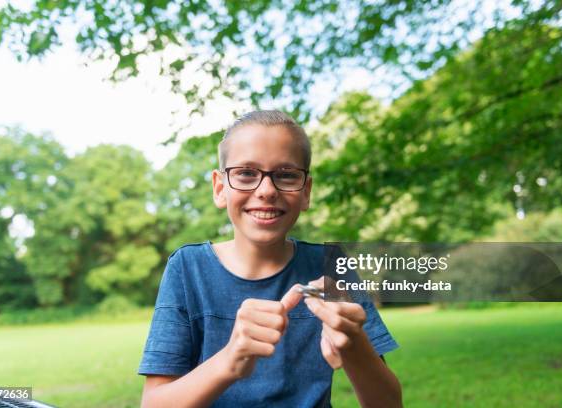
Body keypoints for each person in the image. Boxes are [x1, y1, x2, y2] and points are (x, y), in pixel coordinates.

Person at [138, 110, 402, 407]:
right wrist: (229, 360)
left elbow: (388, 403)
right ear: (219, 187)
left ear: (306, 192)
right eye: (246, 173)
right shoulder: (188, 268)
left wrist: (356, 346)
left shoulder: (329, 266)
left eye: (286, 175)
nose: (266, 191)